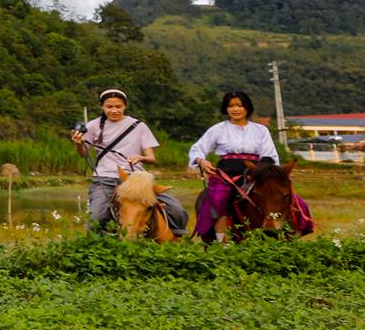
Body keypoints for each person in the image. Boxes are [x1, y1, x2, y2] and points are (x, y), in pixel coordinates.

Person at [69, 87, 188, 233]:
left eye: (118, 107)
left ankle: (176, 238)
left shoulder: (139, 126)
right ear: (102, 107)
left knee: (176, 209)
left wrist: (141, 157)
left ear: (125, 106)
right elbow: (83, 154)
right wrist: (78, 143)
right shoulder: (93, 126)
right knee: (97, 218)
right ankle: (98, 246)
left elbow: (152, 158)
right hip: (105, 178)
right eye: (109, 107)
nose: (114, 110)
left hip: (136, 179)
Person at [187, 89, 282, 240]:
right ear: (226, 108)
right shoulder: (217, 129)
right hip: (226, 173)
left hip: (256, 172)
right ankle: (221, 242)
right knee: (218, 199)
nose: (235, 109)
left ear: (247, 107)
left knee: (282, 196)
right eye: (231, 106)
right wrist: (201, 161)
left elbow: (270, 155)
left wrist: (271, 174)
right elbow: (197, 149)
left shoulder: (261, 130)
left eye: (240, 105)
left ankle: (290, 232)